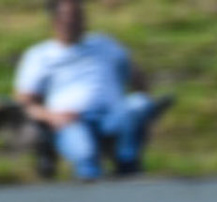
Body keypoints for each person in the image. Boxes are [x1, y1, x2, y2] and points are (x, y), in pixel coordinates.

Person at [11, 0, 170, 181]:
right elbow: (24, 103)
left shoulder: (105, 44)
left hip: (112, 116)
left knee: (140, 104)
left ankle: (128, 164)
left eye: (79, 16)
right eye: (70, 17)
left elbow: (137, 78)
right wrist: (51, 117)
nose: (76, 21)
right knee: (86, 156)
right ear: (55, 20)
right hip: (70, 122)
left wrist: (144, 99)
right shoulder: (40, 55)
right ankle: (90, 187)